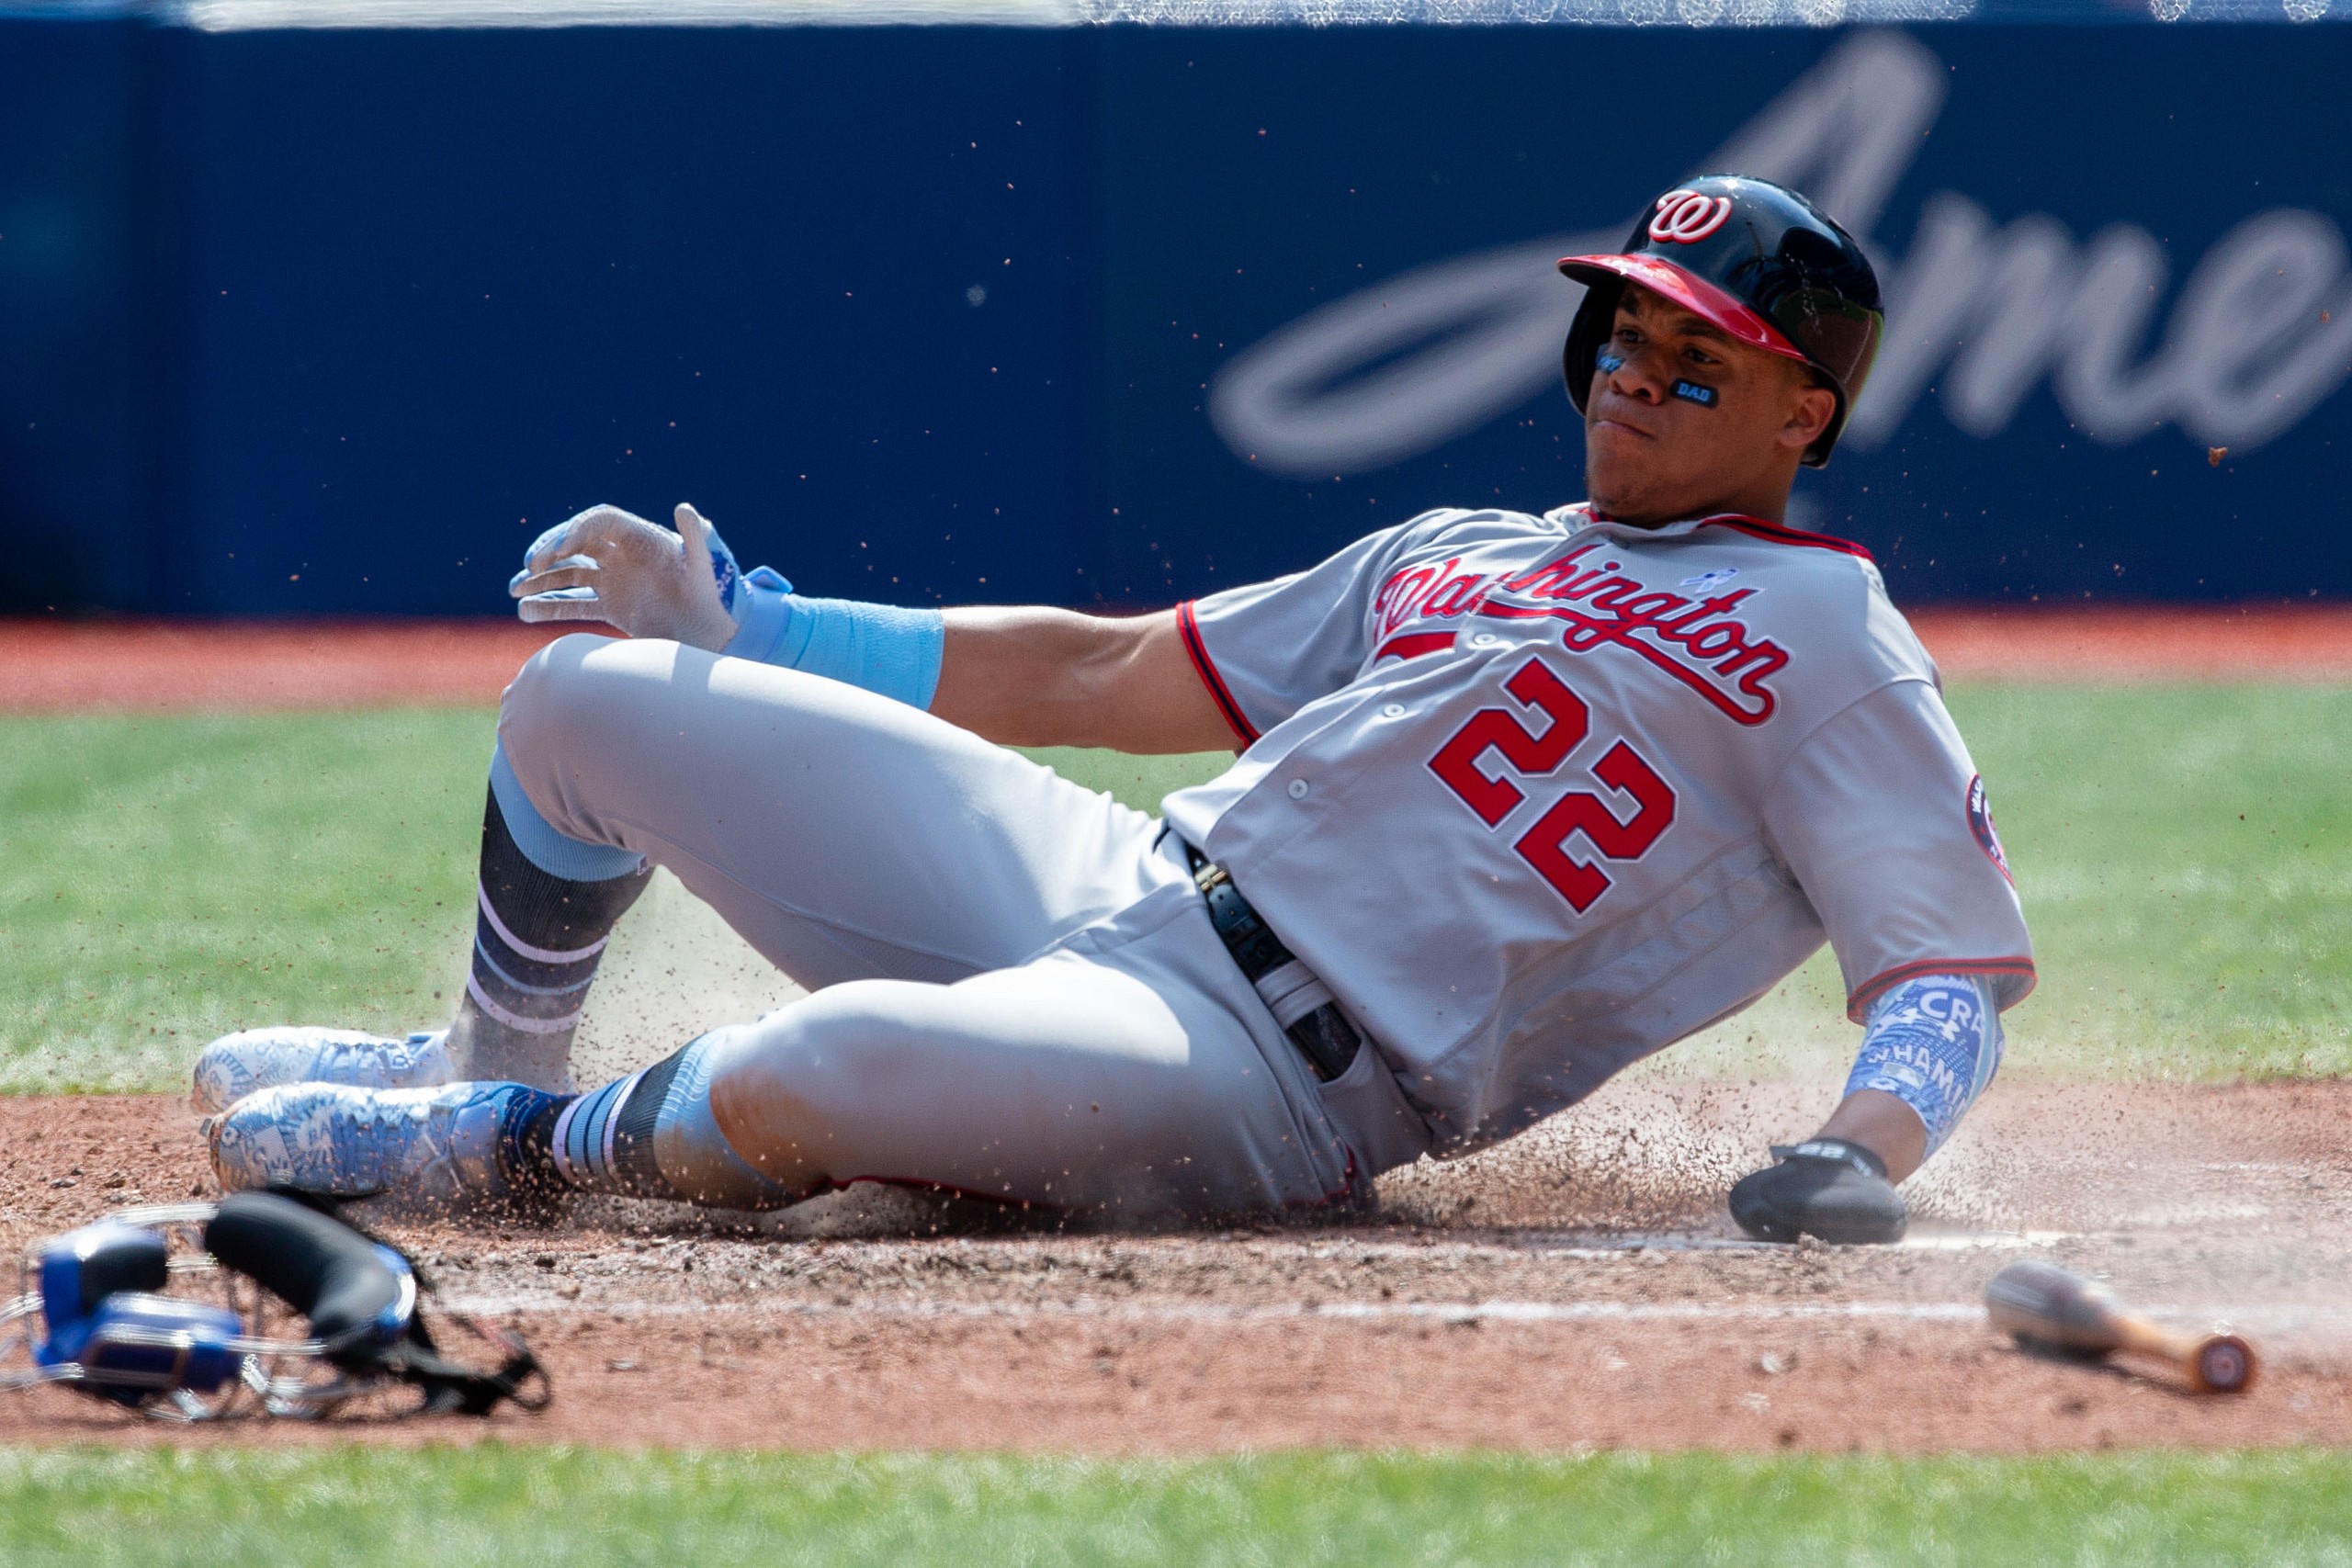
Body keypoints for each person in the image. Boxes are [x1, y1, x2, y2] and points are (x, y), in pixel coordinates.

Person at [196, 175, 2031, 1246]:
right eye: (1627, 331)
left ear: (1802, 414)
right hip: (1119, 883)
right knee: (584, 699)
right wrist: (757, 628)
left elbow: (1941, 969)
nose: (1635, 373)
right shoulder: (1472, 544)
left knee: (811, 1072)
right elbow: (1105, 669)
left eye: (1696, 356)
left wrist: (1857, 1150)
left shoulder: (1830, 635)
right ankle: (489, 1056)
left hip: (1278, 1081)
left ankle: (498, 1148)